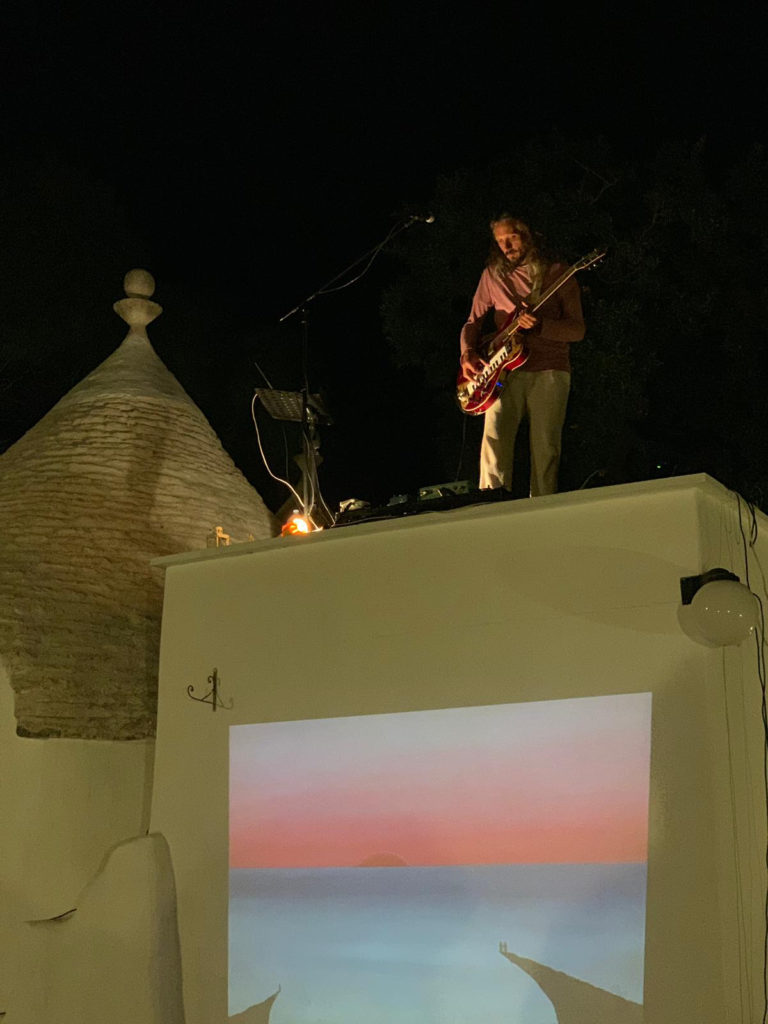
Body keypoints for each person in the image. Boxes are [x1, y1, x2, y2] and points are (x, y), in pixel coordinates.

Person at [459, 215, 585, 496]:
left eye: (512, 237)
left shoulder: (558, 273)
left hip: (550, 369)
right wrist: (467, 353)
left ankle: (542, 510)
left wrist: (541, 326)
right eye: (500, 241)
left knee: (545, 446)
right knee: (493, 442)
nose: (506, 245)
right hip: (503, 370)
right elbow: (473, 321)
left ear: (528, 234)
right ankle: (491, 506)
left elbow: (577, 330)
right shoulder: (492, 275)